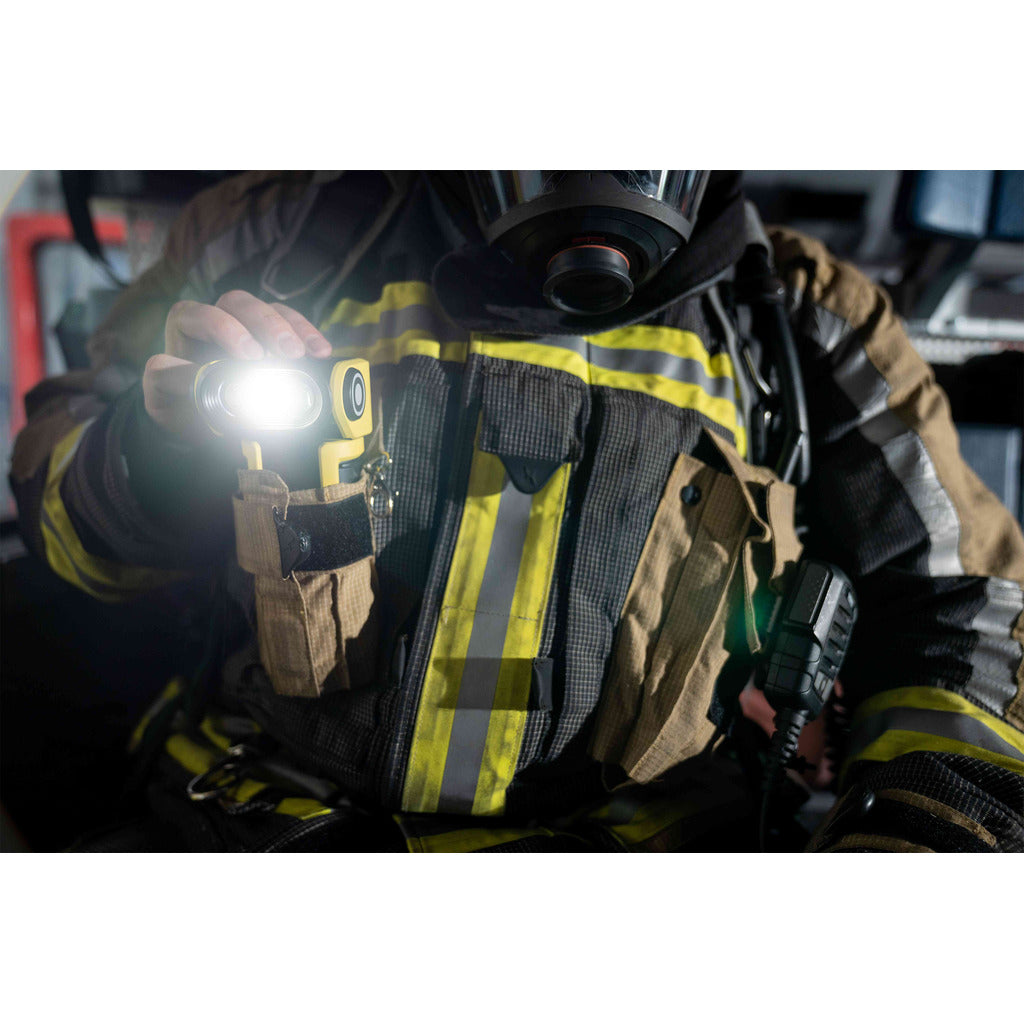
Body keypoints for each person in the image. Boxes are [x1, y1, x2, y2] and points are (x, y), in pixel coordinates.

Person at [9, 170, 1024, 852]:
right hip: (251, 831)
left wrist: (908, 853)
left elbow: (970, 622)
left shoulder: (803, 318)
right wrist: (155, 453)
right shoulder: (267, 236)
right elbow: (63, 528)